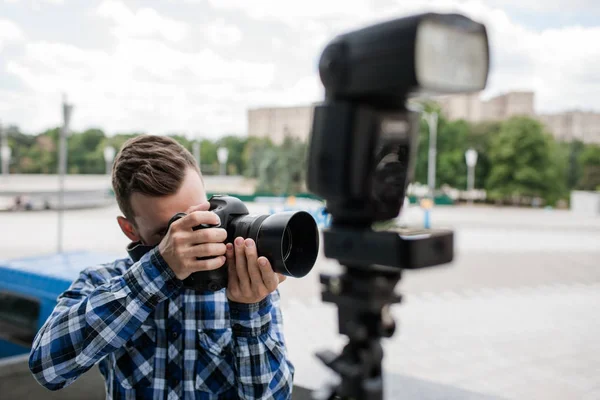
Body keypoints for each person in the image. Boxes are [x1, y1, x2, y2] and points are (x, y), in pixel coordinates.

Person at [29, 135, 294, 399]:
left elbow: (273, 397)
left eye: (196, 218)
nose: (187, 238)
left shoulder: (244, 282)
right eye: (168, 233)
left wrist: (250, 312)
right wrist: (157, 271)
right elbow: (47, 369)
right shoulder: (102, 280)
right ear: (129, 229)